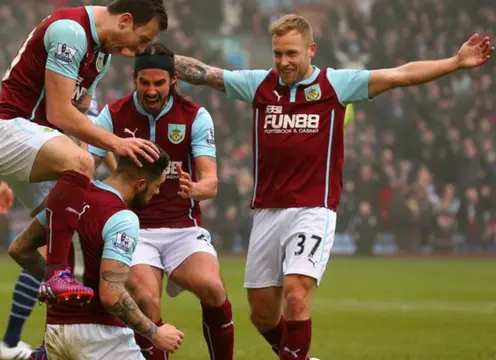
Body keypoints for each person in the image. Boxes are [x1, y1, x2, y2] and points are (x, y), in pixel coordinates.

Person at [172, 14, 494, 360]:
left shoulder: (335, 85)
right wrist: (154, 57)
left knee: (296, 295)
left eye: (292, 53)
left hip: (313, 208)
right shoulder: (260, 84)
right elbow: (207, 74)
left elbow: (398, 75)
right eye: (278, 53)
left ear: (311, 50)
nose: (283, 61)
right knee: (262, 314)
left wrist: (456, 63)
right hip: (267, 210)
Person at [0, 2, 169, 358]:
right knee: (81, 163)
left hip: (34, 146)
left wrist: (93, 165)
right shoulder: (71, 31)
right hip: (6, 130)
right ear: (125, 20)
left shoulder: (101, 55)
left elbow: (78, 118)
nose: (140, 51)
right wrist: (113, 144)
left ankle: (48, 346)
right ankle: (55, 274)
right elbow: (59, 113)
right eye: (142, 39)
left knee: (79, 226)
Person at [87, 42, 234, 360]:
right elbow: (86, 163)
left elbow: (211, 181)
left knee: (213, 289)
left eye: (159, 83)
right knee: (146, 299)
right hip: (134, 228)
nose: (151, 90)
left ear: (173, 82)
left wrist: (195, 189)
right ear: (134, 79)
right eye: (145, 83)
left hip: (183, 227)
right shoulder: (113, 114)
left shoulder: (195, 116)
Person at [13, 146, 185, 360]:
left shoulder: (67, 197)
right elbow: (111, 295)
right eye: (157, 186)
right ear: (141, 184)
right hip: (101, 337)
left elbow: (19, 249)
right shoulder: (123, 218)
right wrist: (155, 333)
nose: (157, 193)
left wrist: (61, 284)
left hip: (56, 331)